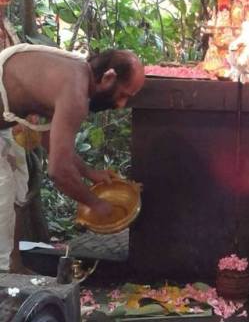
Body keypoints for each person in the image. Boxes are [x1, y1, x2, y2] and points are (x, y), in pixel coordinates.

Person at [0, 44, 145, 272]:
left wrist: (89, 173)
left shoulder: (76, 71)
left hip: (4, 127)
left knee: (18, 193)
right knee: (2, 202)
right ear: (108, 77)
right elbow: (58, 171)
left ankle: (14, 269)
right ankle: (5, 286)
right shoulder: (75, 94)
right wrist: (96, 204)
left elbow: (51, 142)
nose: (120, 105)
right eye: (123, 95)